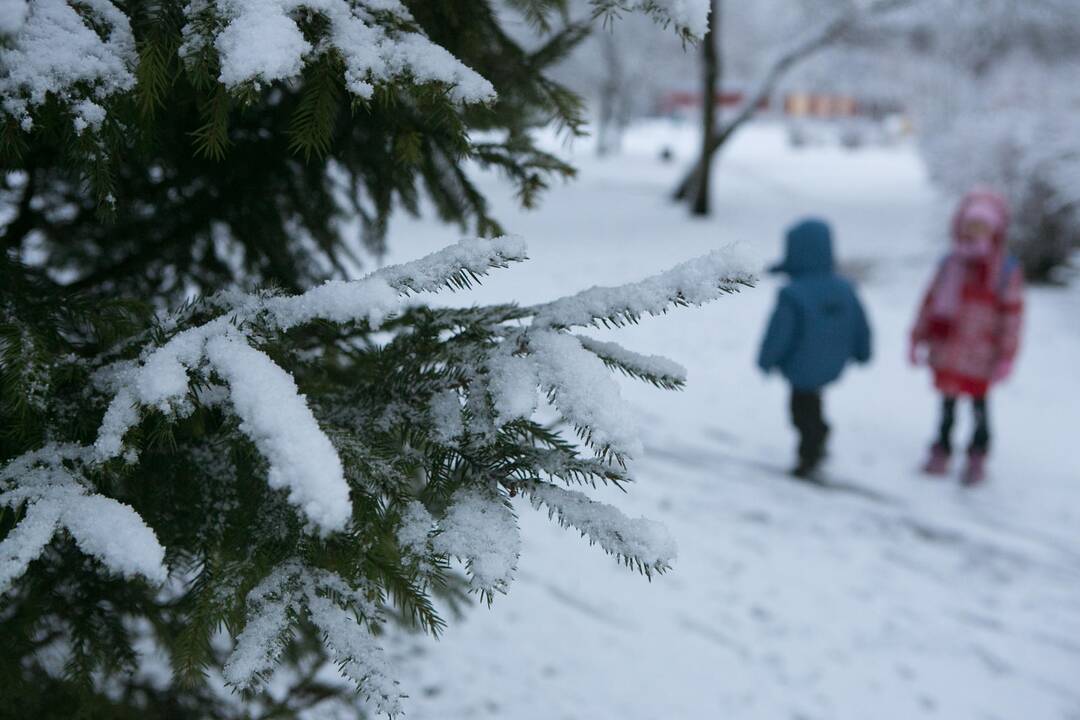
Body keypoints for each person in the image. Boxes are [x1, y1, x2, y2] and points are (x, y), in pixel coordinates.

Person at [910, 188, 1024, 486]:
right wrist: (916, 337)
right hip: (947, 349)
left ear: (995, 229)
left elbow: (1012, 316)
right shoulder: (950, 263)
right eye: (971, 225)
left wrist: (1007, 355)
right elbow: (930, 301)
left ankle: (977, 453)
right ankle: (941, 448)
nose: (975, 232)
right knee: (946, 405)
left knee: (979, 407)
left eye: (983, 226)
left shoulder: (1004, 270)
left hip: (981, 355)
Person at [758, 218, 872, 478]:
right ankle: (818, 437)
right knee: (814, 401)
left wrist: (766, 359)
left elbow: (779, 333)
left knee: (800, 410)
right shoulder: (845, 289)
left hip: (800, 366)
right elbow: (860, 324)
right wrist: (863, 351)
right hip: (832, 364)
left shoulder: (793, 293)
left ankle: (808, 453)